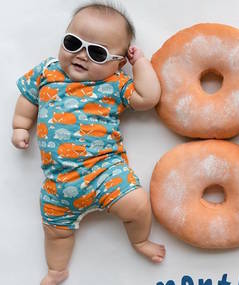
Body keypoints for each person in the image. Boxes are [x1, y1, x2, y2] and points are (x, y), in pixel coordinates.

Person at [11, 3, 165, 284]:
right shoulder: (47, 71)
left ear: (118, 63)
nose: (82, 55)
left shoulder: (115, 83)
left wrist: (139, 63)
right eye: (73, 43)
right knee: (55, 230)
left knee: (137, 205)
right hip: (59, 183)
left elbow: (148, 97)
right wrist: (20, 125)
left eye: (97, 52)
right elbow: (28, 97)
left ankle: (140, 240)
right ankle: (57, 270)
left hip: (105, 173)